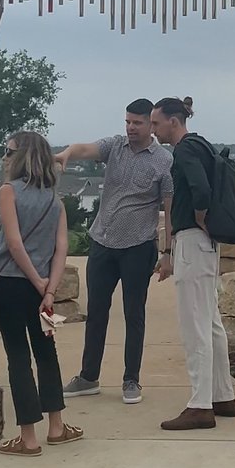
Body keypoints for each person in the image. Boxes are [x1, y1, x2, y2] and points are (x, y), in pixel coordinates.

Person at [56, 99, 173, 405]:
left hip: (138, 247)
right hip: (102, 243)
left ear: (151, 125)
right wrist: (67, 153)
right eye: (127, 122)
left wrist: (168, 252)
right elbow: (86, 149)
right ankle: (88, 377)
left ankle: (131, 380)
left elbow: (169, 208)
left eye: (137, 123)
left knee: (134, 314)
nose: (131, 128)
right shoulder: (115, 147)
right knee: (96, 312)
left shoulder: (163, 161)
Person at [0, 131, 83, 456]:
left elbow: (14, 244)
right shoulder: (55, 201)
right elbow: (61, 248)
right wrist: (49, 289)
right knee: (46, 353)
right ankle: (57, 427)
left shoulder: (8, 191)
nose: (5, 157)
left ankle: (28, 438)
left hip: (10, 284)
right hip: (43, 292)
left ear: (22, 156)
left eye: (9, 151)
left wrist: (37, 282)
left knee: (18, 356)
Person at [150, 96, 235, 432]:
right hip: (206, 245)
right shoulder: (203, 145)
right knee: (210, 321)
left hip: (192, 240)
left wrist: (200, 217)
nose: (154, 130)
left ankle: (200, 405)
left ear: (173, 121)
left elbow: (200, 189)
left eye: (156, 123)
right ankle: (222, 395)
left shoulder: (184, 150)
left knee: (194, 325)